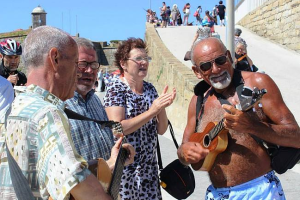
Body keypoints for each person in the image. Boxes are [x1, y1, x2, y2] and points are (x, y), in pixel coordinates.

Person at [0, 26, 131, 200]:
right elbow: (81, 187)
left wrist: (108, 165)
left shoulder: (12, 109)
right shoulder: (46, 114)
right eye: (76, 63)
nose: (78, 71)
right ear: (54, 58)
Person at [177, 37, 300, 199]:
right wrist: (184, 154)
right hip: (217, 194)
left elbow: (296, 137)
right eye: (206, 66)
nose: (215, 69)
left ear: (229, 56)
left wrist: (252, 126)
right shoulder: (198, 101)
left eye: (220, 60)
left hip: (261, 192)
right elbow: (184, 148)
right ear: (197, 72)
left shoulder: (258, 83)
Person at [103, 38, 176, 200]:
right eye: (138, 59)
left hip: (149, 171)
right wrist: (152, 111)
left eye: (146, 59)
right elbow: (118, 129)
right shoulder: (116, 88)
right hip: (124, 172)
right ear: (123, 63)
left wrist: (161, 107)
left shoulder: (150, 89)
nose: (144, 62)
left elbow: (161, 130)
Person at [65, 37, 135, 170]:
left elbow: (109, 135)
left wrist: (120, 151)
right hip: (82, 189)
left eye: (93, 64)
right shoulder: (59, 106)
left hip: (107, 187)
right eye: (83, 64)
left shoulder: (95, 100)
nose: (90, 70)